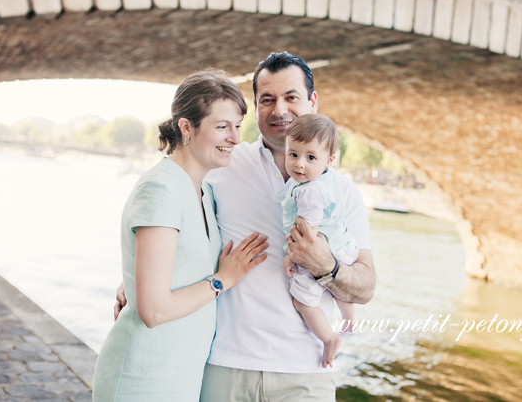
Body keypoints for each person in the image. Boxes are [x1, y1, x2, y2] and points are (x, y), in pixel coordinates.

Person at [116, 52, 376, 402]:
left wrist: (325, 265)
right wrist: (133, 277)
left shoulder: (341, 192)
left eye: (291, 97)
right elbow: (175, 222)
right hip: (225, 366)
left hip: (307, 372)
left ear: (312, 101)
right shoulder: (222, 162)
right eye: (267, 100)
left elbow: (365, 287)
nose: (280, 110)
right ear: (256, 107)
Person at [93, 72, 269, 402]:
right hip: (143, 377)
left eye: (237, 126)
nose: (234, 138)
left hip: (181, 374)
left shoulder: (204, 191)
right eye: (222, 126)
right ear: (186, 128)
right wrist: (223, 280)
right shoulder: (161, 188)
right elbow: (154, 310)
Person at [281, 114, 360, 369]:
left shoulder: (309, 190)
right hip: (344, 245)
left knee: (302, 301)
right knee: (336, 287)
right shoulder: (330, 178)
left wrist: (291, 256)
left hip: (322, 248)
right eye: (293, 154)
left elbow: (308, 230)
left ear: (329, 160)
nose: (299, 164)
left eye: (310, 158)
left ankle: (328, 338)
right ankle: (349, 317)